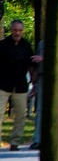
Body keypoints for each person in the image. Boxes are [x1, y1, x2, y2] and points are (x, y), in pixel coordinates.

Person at [0, 20, 42, 151]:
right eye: (14, 30)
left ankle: (15, 142)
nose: (17, 33)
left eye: (19, 30)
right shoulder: (2, 45)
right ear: (11, 30)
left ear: (22, 31)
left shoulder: (26, 46)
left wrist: (33, 83)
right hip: (3, 84)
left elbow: (32, 66)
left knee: (21, 115)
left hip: (20, 86)